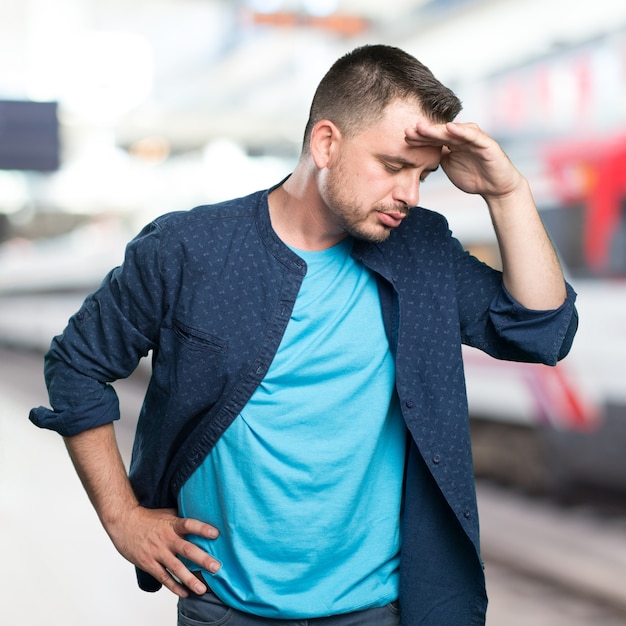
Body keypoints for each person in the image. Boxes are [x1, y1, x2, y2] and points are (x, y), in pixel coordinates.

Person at [30, 44, 577, 625]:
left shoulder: (420, 249)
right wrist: (123, 518)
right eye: (394, 166)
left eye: (423, 174)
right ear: (326, 144)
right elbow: (76, 365)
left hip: (379, 609)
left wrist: (506, 192)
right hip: (224, 607)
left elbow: (541, 331)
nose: (410, 195)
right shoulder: (187, 249)